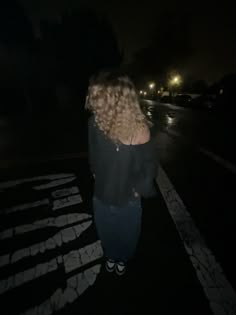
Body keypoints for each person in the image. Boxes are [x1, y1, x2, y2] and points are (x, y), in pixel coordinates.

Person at [85, 71, 158, 275]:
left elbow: (150, 165)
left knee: (128, 234)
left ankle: (123, 257)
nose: (93, 103)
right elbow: (93, 153)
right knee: (105, 230)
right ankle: (110, 254)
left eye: (100, 98)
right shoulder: (94, 123)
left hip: (129, 198)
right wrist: (95, 173)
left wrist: (139, 189)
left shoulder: (140, 129)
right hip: (102, 194)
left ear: (119, 100)